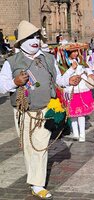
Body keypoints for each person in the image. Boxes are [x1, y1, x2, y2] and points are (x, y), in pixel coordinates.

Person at [0, 20, 80, 199]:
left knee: (40, 147)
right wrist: (15, 82)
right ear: (21, 41)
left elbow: (58, 80)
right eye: (30, 37)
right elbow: (1, 86)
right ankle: (34, 178)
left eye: (37, 36)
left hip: (45, 110)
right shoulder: (11, 62)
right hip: (23, 111)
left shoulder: (49, 58)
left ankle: (37, 184)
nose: (35, 40)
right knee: (28, 148)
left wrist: (69, 81)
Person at [62, 43, 94, 142]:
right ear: (68, 53)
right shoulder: (64, 63)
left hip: (82, 89)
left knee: (81, 114)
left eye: (77, 51)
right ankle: (75, 133)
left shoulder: (81, 61)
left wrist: (90, 75)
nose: (75, 53)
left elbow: (87, 69)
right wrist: (71, 68)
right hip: (71, 90)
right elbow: (63, 76)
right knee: (73, 114)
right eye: (73, 52)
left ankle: (82, 135)